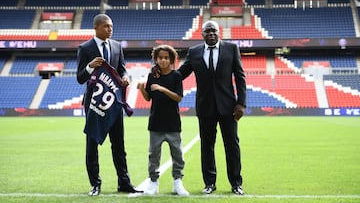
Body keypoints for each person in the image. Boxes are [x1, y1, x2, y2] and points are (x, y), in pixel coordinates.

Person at [153, 20, 246, 195]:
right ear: (202, 34)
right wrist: (160, 73)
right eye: (207, 31)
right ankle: (209, 183)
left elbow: (240, 76)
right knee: (207, 146)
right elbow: (181, 74)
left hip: (228, 107)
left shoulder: (231, 49)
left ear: (219, 33)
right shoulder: (194, 52)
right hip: (205, 107)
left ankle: (236, 183)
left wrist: (241, 103)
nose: (211, 34)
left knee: (232, 145)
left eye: (214, 31)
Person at [77, 13, 142, 196]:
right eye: (106, 26)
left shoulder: (116, 46)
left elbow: (121, 68)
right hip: (94, 105)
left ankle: (124, 183)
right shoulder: (85, 48)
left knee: (119, 145)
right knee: (92, 145)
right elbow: (80, 77)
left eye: (111, 26)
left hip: (114, 104)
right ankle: (95, 184)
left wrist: (125, 77)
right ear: (96, 27)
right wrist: (90, 66)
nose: (110, 29)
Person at [137, 45, 190, 196]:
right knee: (153, 155)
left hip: (173, 123)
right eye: (160, 58)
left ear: (171, 59)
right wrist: (142, 89)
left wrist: (162, 89)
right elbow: (148, 97)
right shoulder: (152, 75)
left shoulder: (176, 76)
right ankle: (153, 182)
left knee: (177, 154)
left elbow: (178, 98)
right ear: (156, 59)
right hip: (156, 123)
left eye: (166, 58)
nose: (163, 60)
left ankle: (177, 182)